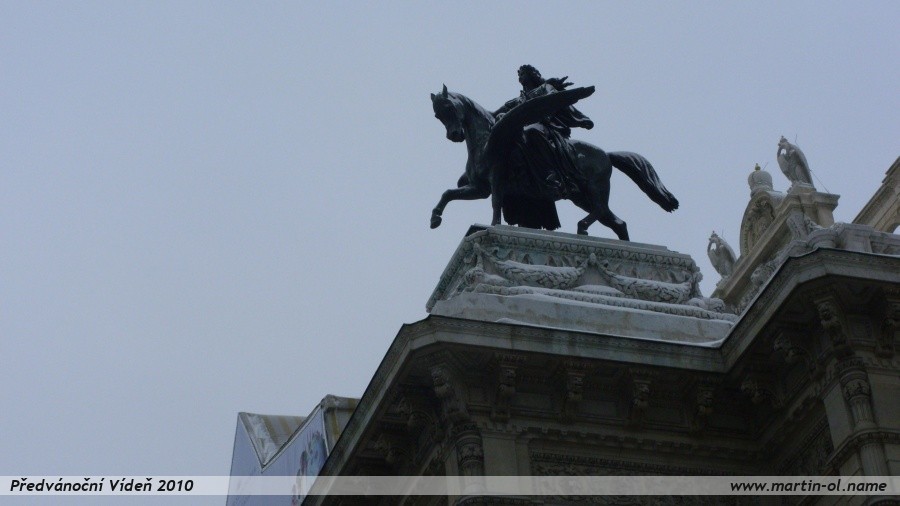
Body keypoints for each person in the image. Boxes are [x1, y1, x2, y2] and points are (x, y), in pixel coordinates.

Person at [493, 65, 594, 197]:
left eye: (523, 74)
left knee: (531, 131)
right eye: (519, 75)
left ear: (532, 75)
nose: (520, 77)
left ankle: (551, 172)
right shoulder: (517, 100)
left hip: (546, 126)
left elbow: (554, 98)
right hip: (523, 129)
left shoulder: (545, 88)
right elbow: (494, 114)